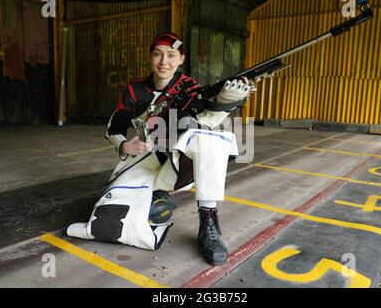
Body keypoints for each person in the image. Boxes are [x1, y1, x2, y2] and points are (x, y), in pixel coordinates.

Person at [67, 32, 251, 266]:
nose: (164, 62)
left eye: (171, 55)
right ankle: (154, 200)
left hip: (177, 164)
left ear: (181, 59)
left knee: (210, 140)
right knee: (108, 223)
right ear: (150, 58)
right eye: (158, 54)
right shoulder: (135, 90)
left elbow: (205, 122)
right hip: (144, 161)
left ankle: (208, 223)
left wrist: (227, 101)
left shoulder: (190, 88)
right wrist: (125, 144)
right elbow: (114, 128)